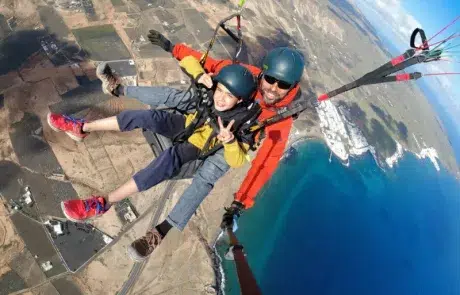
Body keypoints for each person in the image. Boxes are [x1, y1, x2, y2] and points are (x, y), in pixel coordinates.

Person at [47, 60, 259, 261]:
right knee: (147, 116)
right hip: (186, 123)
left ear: (239, 100)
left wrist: (230, 141)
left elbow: (238, 159)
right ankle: (82, 128)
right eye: (220, 90)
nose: (220, 98)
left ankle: (104, 203)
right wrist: (200, 74)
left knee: (170, 159)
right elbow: (187, 61)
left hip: (199, 145)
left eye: (228, 96)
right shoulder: (213, 91)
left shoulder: (243, 124)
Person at [111, 30, 306, 229]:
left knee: (208, 175)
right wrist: (173, 48)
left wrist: (240, 203)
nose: (273, 88)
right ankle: (119, 90)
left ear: (293, 86)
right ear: (263, 74)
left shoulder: (281, 120)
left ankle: (163, 229)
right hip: (215, 113)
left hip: (233, 141)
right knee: (175, 97)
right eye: (271, 79)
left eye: (283, 84)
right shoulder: (250, 76)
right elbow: (213, 65)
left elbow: (265, 163)